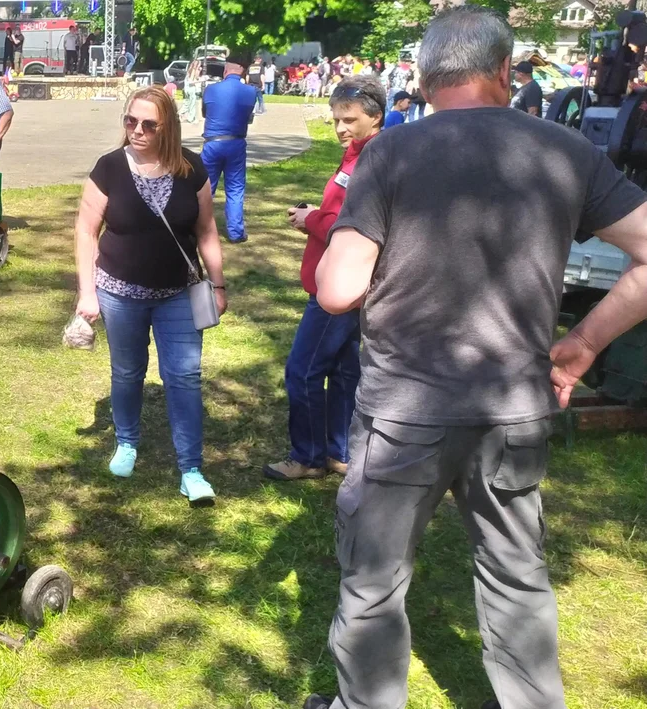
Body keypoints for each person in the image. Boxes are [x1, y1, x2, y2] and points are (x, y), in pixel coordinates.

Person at [302, 7, 647, 709]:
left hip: (404, 413)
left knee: (374, 583)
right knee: (517, 576)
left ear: (426, 80)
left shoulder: (390, 153)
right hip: (514, 408)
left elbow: (338, 290)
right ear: (501, 70)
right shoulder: (565, 148)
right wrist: (582, 343)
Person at [73, 86, 227, 504]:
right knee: (127, 372)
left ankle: (191, 470)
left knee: (184, 377)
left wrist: (218, 282)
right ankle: (126, 442)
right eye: (129, 121)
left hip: (179, 292)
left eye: (148, 124)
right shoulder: (108, 168)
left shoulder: (191, 169)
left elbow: (207, 230)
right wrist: (87, 292)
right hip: (119, 293)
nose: (136, 130)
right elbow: (87, 231)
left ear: (168, 127)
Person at [263, 75, 384, 483]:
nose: (340, 129)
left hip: (339, 288)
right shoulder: (355, 153)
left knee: (303, 371)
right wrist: (319, 214)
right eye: (335, 120)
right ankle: (340, 451)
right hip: (340, 283)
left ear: (376, 117)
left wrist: (310, 218)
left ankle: (310, 456)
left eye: (349, 120)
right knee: (345, 371)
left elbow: (356, 225)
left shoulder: (373, 160)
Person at [199, 47, 256, 244]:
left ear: (225, 71)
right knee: (235, 188)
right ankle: (235, 232)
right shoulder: (250, 92)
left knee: (204, 187)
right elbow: (249, 118)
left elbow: (206, 113)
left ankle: (197, 227)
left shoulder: (211, 89)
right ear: (242, 72)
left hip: (213, 143)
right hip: (236, 143)